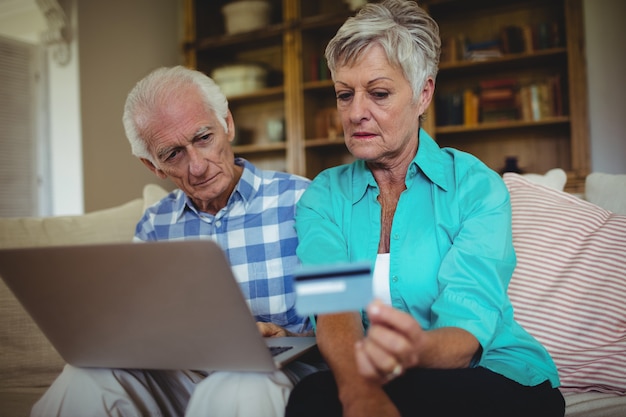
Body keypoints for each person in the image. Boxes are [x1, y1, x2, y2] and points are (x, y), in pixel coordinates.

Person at [285, 1, 565, 416]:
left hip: (492, 371)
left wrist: (415, 348)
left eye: (378, 93)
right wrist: (357, 390)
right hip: (381, 377)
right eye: (345, 95)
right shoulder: (323, 196)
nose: (356, 112)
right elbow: (333, 309)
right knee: (309, 399)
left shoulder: (475, 188)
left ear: (423, 94)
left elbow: (468, 322)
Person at [31, 65, 323, 417]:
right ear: (153, 166)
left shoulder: (304, 200)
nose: (197, 166)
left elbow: (351, 318)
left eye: (203, 138)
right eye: (173, 154)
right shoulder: (154, 225)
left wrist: (289, 337)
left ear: (227, 124)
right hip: (185, 374)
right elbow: (139, 324)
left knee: (238, 383)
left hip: (275, 374)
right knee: (83, 379)